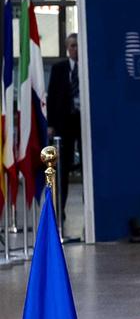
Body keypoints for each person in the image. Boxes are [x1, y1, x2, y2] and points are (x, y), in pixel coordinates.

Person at [46, 32, 79, 231]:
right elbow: (51, 98)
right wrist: (51, 124)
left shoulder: (89, 67)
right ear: (67, 48)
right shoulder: (59, 69)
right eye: (73, 46)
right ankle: (61, 208)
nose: (75, 49)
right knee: (63, 168)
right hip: (65, 124)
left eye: (78, 45)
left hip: (83, 123)